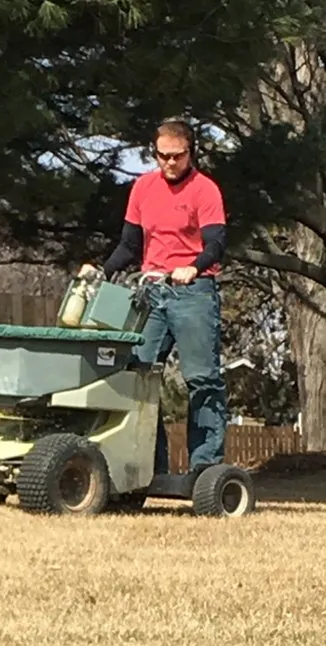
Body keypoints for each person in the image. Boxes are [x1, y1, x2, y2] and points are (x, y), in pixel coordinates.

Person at [103, 117, 228, 476]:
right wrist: (101, 270)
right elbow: (129, 245)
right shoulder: (143, 188)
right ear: (154, 154)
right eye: (163, 156)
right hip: (152, 292)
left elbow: (216, 244)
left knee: (202, 378)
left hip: (193, 292)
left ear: (191, 153)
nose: (170, 163)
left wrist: (194, 267)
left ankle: (205, 468)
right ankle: (149, 468)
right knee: (136, 375)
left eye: (178, 156)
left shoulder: (205, 190)